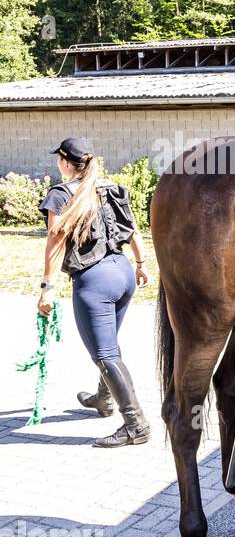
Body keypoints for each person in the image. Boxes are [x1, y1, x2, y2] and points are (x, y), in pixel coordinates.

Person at [36, 137, 151, 448]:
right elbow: (133, 229)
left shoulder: (61, 195)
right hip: (123, 273)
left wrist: (47, 289)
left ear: (64, 161)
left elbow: (55, 244)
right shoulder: (109, 187)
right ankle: (104, 399)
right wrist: (141, 264)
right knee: (109, 345)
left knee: (105, 354)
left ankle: (135, 425)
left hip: (94, 282)